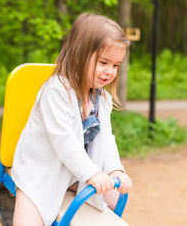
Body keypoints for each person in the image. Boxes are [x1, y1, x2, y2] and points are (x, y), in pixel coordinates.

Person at [12, 13, 133, 226]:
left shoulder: (100, 97)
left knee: (114, 198)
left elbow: (105, 138)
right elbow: (64, 141)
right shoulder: (57, 92)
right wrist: (92, 174)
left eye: (115, 65)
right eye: (103, 62)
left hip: (75, 172)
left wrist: (115, 170)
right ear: (79, 56)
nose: (109, 71)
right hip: (42, 170)